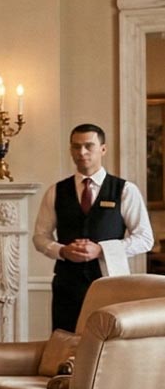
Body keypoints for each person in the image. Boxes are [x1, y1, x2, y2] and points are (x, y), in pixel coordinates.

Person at [32, 123, 154, 332]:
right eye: (76, 147)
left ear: (102, 149)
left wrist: (102, 249)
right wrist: (62, 250)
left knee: (106, 344)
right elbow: (40, 237)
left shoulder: (124, 190)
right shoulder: (56, 191)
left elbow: (145, 239)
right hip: (67, 284)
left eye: (89, 146)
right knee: (65, 343)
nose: (82, 152)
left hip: (110, 283)